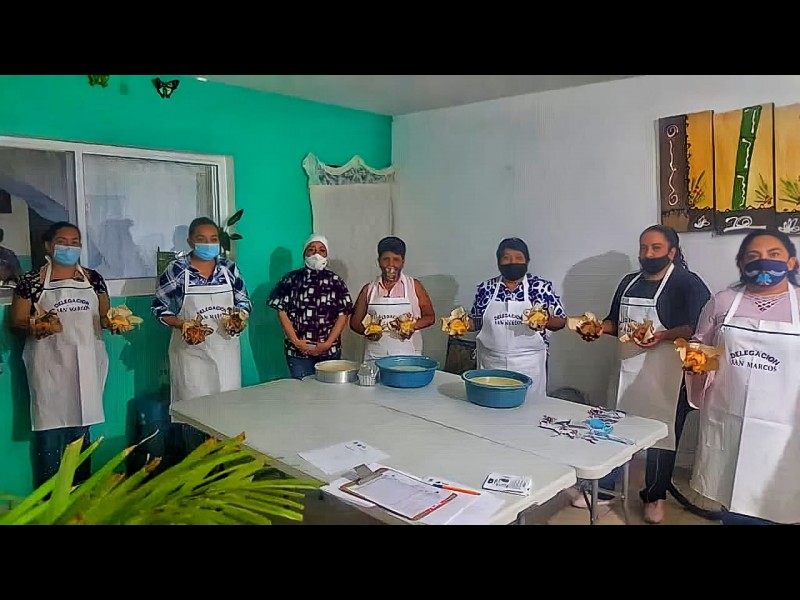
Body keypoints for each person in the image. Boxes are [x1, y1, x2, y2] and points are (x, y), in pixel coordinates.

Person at [580, 224, 710, 524]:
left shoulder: (686, 283)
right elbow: (615, 322)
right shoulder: (629, 282)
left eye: (655, 248)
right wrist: (598, 328)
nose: (648, 254)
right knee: (616, 427)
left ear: (672, 252)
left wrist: (662, 336)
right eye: (643, 248)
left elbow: (698, 327)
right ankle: (607, 487)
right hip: (627, 369)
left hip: (667, 375)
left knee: (662, 435)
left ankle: (654, 495)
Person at [688, 229, 800, 525]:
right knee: (732, 498)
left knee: (777, 499)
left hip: (785, 426)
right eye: (753, 255)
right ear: (742, 263)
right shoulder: (723, 301)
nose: (763, 262)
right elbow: (700, 345)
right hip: (729, 419)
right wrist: (694, 362)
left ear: (791, 262)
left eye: (773, 255)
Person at [9, 222, 112, 489]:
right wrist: (36, 325)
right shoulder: (32, 281)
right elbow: (16, 321)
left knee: (81, 430)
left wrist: (114, 323)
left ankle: (79, 496)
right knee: (50, 431)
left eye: (75, 242)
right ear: (48, 245)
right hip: (49, 365)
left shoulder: (93, 279)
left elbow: (104, 316)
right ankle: (48, 500)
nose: (70, 247)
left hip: (87, 364)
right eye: (62, 241)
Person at [151, 216, 252, 456]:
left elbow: (244, 301)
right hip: (192, 357)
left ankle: (223, 469)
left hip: (226, 355)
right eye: (201, 239)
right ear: (190, 242)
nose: (208, 244)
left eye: (213, 239)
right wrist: (183, 324)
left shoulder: (229, 268)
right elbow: (159, 308)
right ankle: (196, 470)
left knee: (227, 417)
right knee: (195, 418)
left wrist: (239, 317)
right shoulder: (177, 270)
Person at [469, 237, 566, 396]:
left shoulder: (540, 287)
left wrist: (545, 320)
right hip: (491, 363)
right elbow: (477, 321)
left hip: (529, 365)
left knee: (528, 406)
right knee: (490, 404)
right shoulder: (486, 288)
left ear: (527, 261)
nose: (512, 262)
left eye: (518, 258)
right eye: (506, 258)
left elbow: (561, 321)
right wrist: (462, 325)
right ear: (498, 262)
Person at [267, 234, 354, 379]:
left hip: (329, 351)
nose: (316, 254)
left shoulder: (335, 281)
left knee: (327, 390)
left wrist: (327, 343)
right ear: (304, 254)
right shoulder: (290, 279)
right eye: (311, 250)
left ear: (327, 255)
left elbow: (343, 314)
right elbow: (281, 312)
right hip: (298, 353)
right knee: (303, 390)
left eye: (321, 250)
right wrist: (296, 342)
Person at [350, 236, 435, 360]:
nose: (391, 264)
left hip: (408, 358)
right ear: (379, 261)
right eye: (386, 259)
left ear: (403, 262)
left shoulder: (414, 286)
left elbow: (430, 317)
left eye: (396, 259)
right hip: (375, 357)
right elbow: (354, 323)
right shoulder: (369, 289)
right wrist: (367, 331)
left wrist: (412, 326)